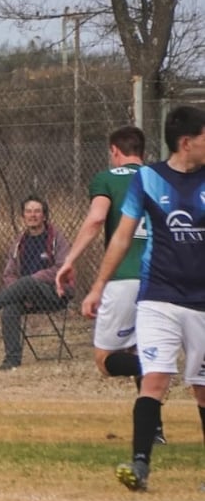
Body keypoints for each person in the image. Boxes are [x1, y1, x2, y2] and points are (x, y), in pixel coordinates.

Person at [80, 105, 205, 492]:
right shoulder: (148, 179)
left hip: (202, 302)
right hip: (158, 297)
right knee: (155, 377)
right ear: (186, 142)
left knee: (202, 386)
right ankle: (139, 465)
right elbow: (121, 236)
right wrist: (99, 285)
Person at [55, 126, 165, 445]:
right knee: (138, 346)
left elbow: (96, 219)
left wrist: (69, 260)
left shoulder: (108, 177)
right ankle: (154, 430)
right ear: (142, 151)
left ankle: (159, 366)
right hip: (161, 278)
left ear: (115, 150)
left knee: (106, 360)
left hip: (125, 277)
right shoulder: (161, 178)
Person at [0, 196, 72, 371]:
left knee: (27, 281)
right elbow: (9, 274)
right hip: (26, 294)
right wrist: (18, 291)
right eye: (28, 211)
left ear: (44, 216)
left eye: (37, 211)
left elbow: (63, 267)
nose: (33, 215)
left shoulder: (56, 238)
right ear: (23, 216)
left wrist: (35, 279)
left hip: (54, 293)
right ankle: (12, 359)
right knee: (10, 309)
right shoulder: (19, 243)